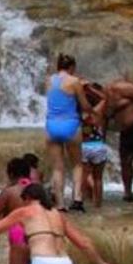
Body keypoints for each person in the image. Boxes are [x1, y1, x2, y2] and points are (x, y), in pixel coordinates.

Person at [43, 54, 93, 212]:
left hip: (51, 126)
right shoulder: (74, 81)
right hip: (70, 124)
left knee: (58, 167)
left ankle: (60, 204)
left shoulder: (49, 80)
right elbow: (85, 106)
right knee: (77, 164)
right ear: (72, 67)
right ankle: (77, 199)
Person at [79, 82, 109, 209]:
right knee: (98, 178)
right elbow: (105, 98)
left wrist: (80, 89)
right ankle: (98, 205)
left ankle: (81, 201)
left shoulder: (80, 113)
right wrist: (90, 88)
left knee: (83, 177)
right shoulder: (98, 112)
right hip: (99, 146)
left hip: (85, 146)